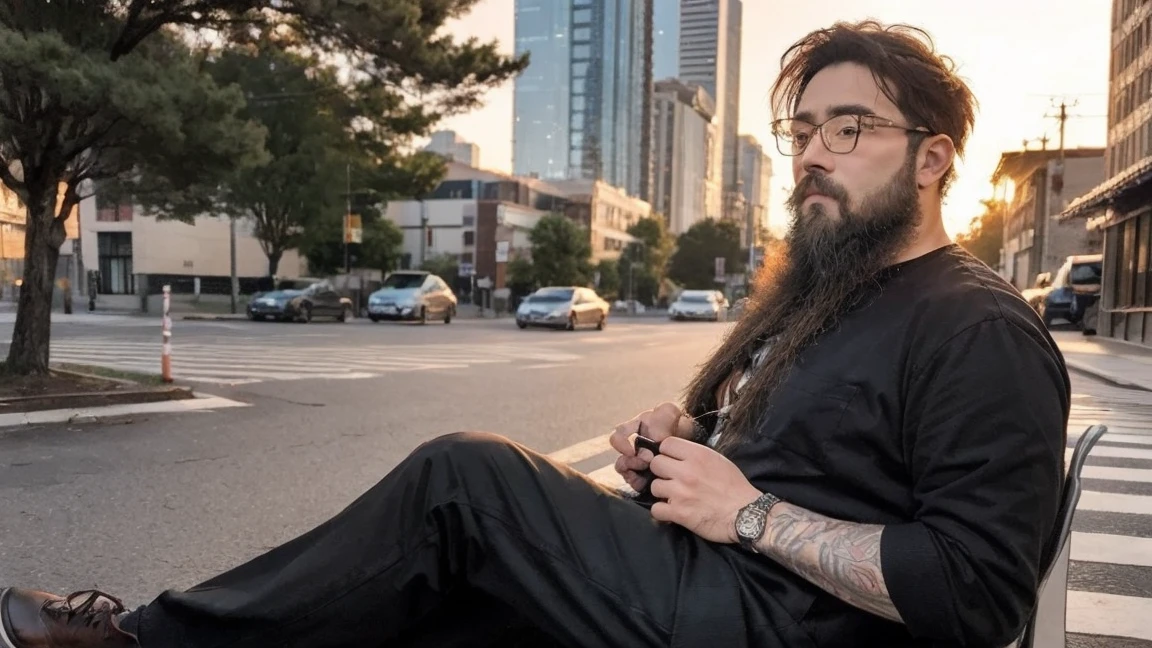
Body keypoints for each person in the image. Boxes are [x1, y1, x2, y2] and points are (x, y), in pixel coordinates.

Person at [0, 20, 1069, 648]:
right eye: (801, 134)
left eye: (851, 131)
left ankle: (142, 642)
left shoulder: (978, 328)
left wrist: (746, 517)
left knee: (466, 480)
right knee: (443, 584)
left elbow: (977, 595)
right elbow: (801, 457)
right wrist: (677, 450)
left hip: (770, 621)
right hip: (715, 586)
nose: (813, 158)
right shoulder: (831, 292)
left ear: (932, 161)